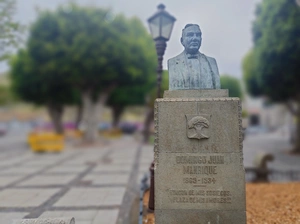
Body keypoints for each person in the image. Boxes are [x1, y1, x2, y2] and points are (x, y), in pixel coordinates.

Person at [168, 24, 220, 90]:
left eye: (198, 35)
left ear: (201, 39)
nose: (195, 38)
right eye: (190, 35)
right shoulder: (173, 63)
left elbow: (217, 90)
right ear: (182, 41)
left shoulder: (211, 62)